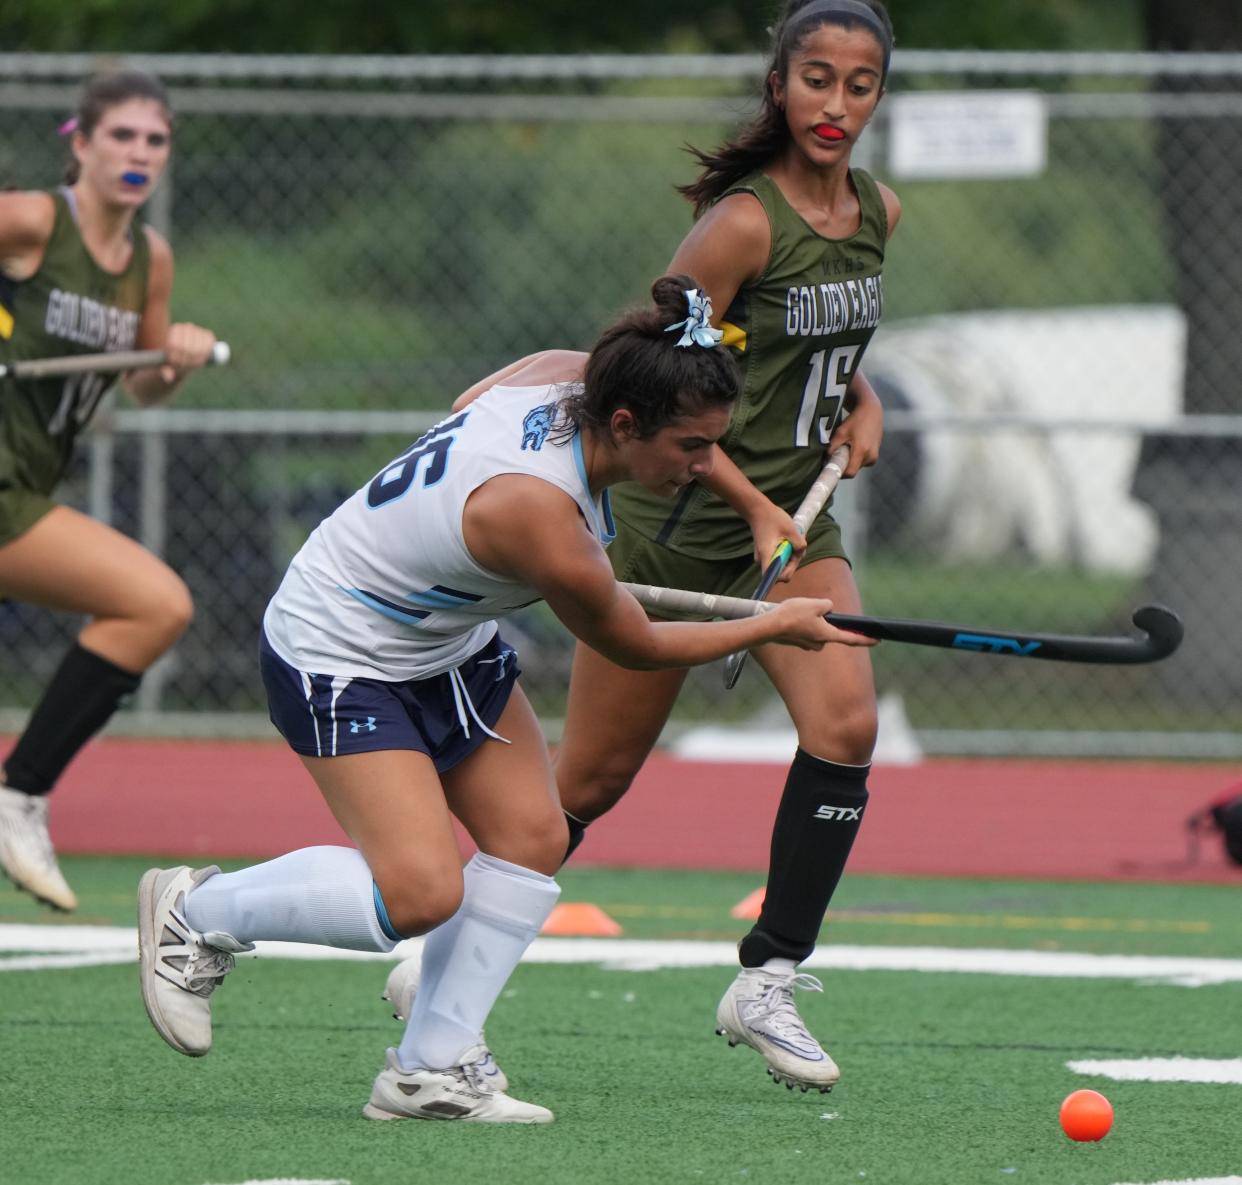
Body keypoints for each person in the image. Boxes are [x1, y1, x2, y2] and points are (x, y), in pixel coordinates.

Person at [136, 275, 874, 1124]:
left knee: (533, 837)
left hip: (443, 638)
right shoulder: (540, 518)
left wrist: (754, 506)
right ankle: (196, 912)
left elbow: (469, 405)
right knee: (418, 894)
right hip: (337, 649)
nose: (699, 466)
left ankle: (429, 1071)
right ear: (625, 426)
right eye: (689, 449)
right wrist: (771, 624)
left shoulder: (567, 372)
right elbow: (632, 642)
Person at [553, 0, 901, 1094]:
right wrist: (750, 504)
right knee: (590, 782)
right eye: (816, 79)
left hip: (802, 517)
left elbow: (815, 346)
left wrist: (861, 399)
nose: (836, 104)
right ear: (779, 84)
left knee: (846, 723)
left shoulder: (880, 211)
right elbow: (658, 380)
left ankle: (769, 976)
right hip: (678, 526)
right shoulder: (741, 224)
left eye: (859, 83)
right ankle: (457, 939)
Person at [0, 70, 218, 911]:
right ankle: (19, 798)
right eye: (121, 136)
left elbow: (143, 389)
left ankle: (19, 794)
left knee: (154, 606)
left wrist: (177, 361)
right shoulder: (31, 221)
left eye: (154, 140)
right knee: (156, 600)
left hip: (25, 484)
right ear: (81, 144)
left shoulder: (148, 261)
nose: (138, 154)